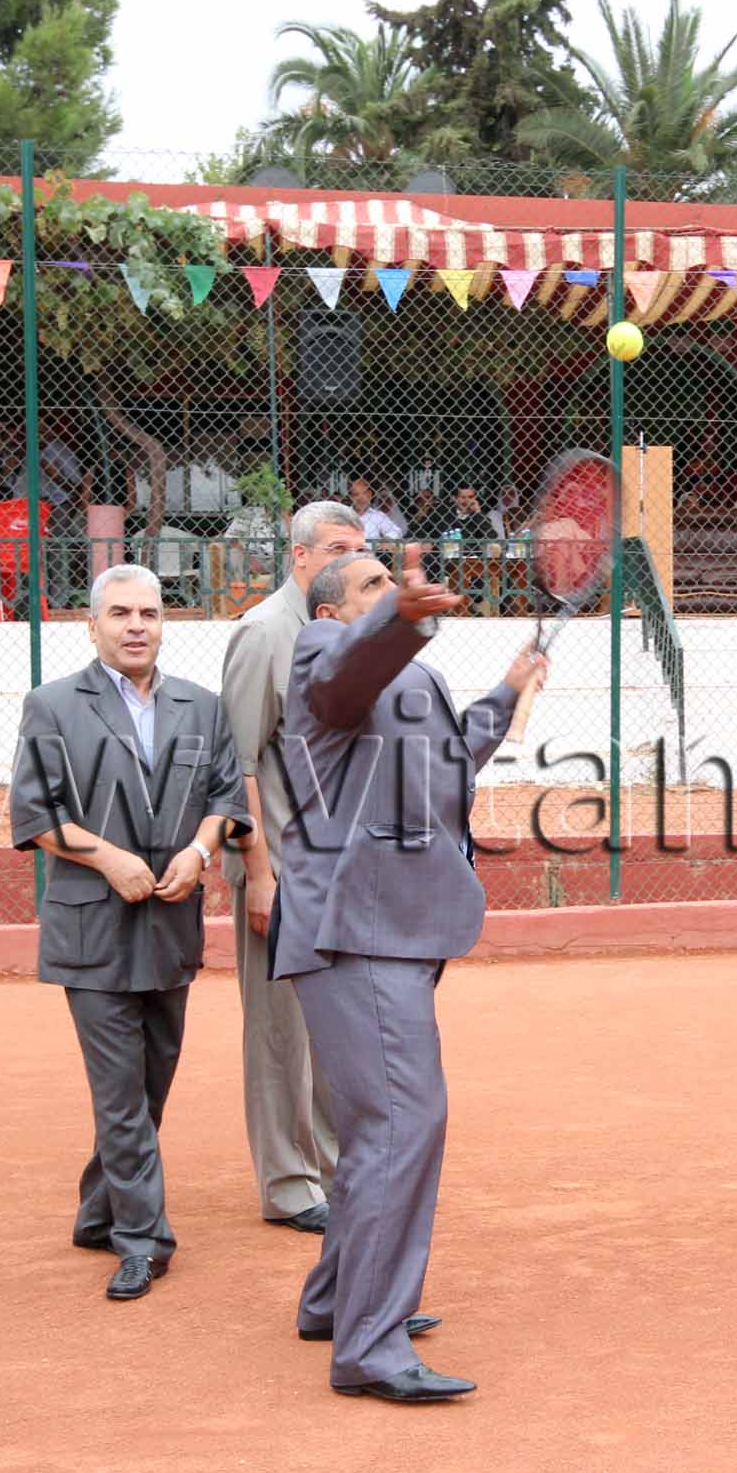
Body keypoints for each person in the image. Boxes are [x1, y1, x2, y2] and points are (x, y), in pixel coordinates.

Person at [272, 548, 545, 1402]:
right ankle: (370, 1345)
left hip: (398, 926)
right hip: (354, 929)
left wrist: (504, 691)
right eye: (372, 586)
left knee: (376, 1126)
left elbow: (448, 769)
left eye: (395, 581)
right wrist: (404, 618)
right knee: (402, 1121)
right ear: (329, 613)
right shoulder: (323, 657)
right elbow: (351, 671)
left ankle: (334, 1303)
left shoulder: (412, 680)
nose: (393, 593)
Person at [8, 564, 251, 1300]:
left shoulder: (201, 706)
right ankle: (143, 1239)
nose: (136, 624)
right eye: (120, 613)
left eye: (148, 611)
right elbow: (34, 811)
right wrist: (108, 856)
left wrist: (201, 850)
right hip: (92, 930)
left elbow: (225, 793)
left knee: (148, 1087)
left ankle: (97, 1211)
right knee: (120, 1093)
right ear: (92, 625)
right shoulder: (52, 705)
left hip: (171, 921)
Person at [219, 502, 370, 1235]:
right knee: (280, 1032)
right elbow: (237, 762)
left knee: (336, 1031)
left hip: (342, 874)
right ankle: (288, 1182)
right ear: (299, 554)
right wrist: (259, 871)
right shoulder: (263, 632)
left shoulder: (349, 634)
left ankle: (339, 1172)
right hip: (281, 871)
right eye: (338, 548)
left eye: (360, 549)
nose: (350, 561)